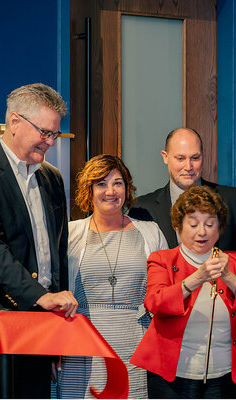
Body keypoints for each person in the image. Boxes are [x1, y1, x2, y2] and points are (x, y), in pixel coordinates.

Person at [0, 83, 78, 398]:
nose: (51, 142)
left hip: (38, 333)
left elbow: (57, 255)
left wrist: (55, 329)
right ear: (14, 122)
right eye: (44, 132)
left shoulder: (52, 178)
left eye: (55, 134)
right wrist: (41, 296)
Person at [129, 128, 236, 348]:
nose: (188, 166)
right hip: (168, 332)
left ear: (203, 156)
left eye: (195, 158)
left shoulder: (232, 199)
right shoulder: (142, 208)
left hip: (223, 330)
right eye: (180, 158)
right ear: (165, 157)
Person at [131, 185, 236, 398]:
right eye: (193, 224)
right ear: (179, 226)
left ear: (219, 227)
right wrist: (196, 278)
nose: (202, 232)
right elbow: (155, 303)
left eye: (210, 224)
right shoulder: (163, 260)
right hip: (172, 376)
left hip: (223, 375)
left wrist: (229, 277)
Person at [57, 155, 168, 398]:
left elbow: (165, 291)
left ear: (127, 188)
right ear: (89, 190)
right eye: (101, 184)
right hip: (81, 346)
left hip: (135, 346)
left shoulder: (150, 232)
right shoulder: (70, 233)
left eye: (118, 183)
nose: (111, 191)